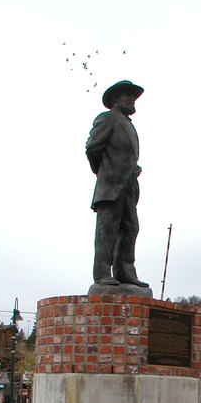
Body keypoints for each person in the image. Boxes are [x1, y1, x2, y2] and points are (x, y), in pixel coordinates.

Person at [86, 80, 149, 287]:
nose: (132, 99)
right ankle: (102, 272)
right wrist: (104, 171)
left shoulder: (129, 125)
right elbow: (92, 148)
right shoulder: (107, 119)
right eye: (127, 95)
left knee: (131, 227)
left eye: (134, 96)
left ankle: (125, 271)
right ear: (115, 99)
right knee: (107, 230)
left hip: (129, 186)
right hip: (111, 186)